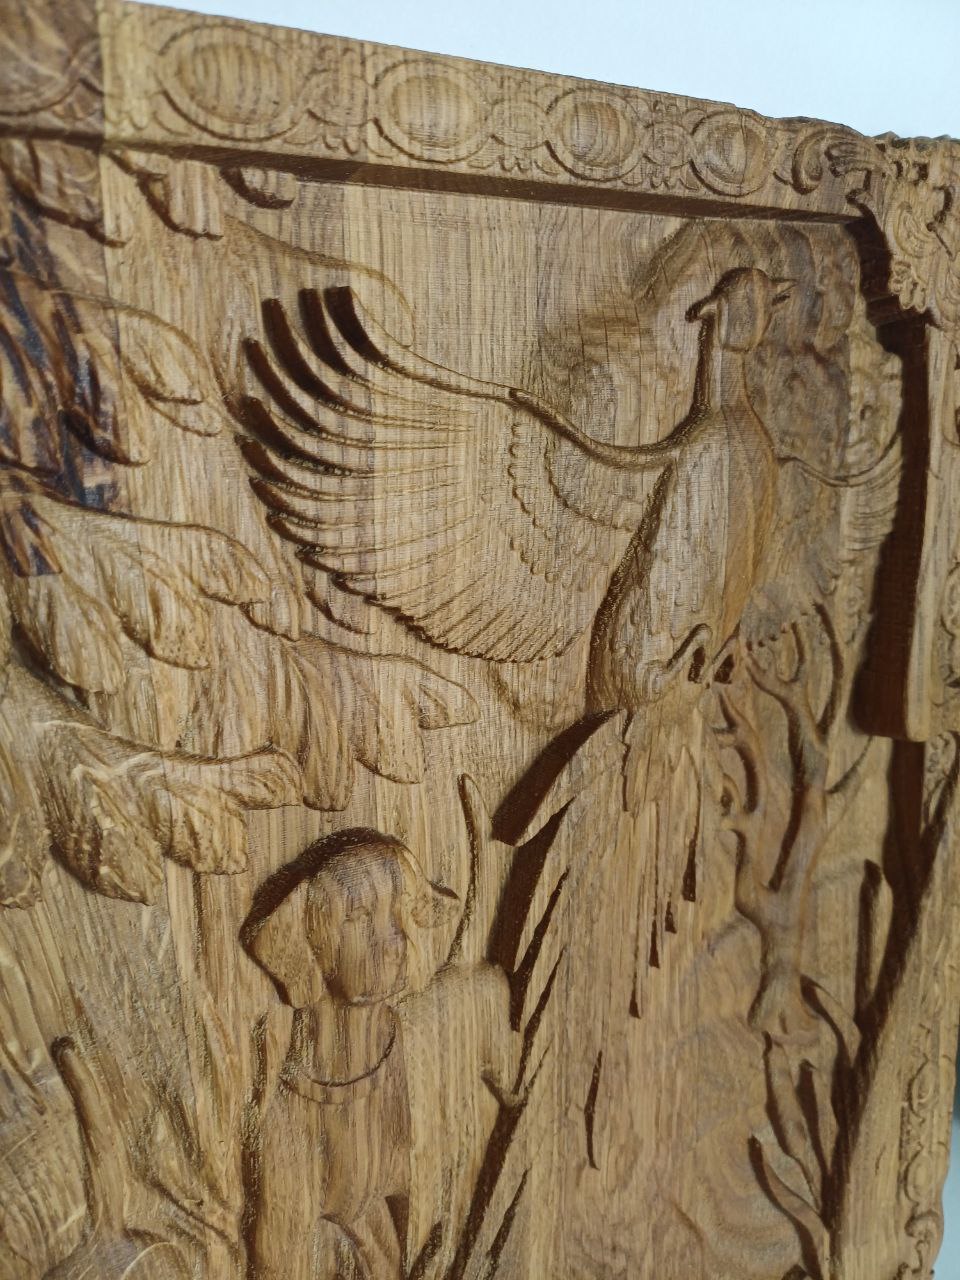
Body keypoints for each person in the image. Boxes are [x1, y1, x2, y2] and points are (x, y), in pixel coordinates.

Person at [241, 828, 516, 1279]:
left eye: (397, 910)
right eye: (357, 916)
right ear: (307, 942)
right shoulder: (286, 1125)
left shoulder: (405, 1064)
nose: (394, 940)